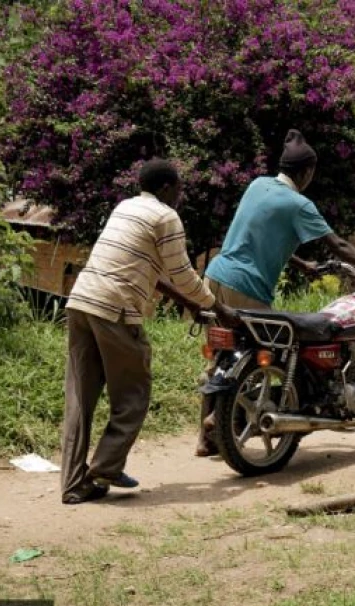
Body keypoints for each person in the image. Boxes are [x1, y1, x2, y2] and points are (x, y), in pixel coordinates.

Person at [196, 129, 355, 455]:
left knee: (222, 358)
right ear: (307, 172)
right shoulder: (299, 203)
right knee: (280, 352)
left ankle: (206, 440)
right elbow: (338, 245)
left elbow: (258, 233)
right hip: (246, 287)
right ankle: (238, 420)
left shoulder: (257, 185)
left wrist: (300, 264)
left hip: (214, 278)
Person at [61, 158, 237, 504]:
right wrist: (218, 306)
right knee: (134, 393)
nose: (180, 196)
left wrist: (188, 303)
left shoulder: (125, 208)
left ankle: (73, 484)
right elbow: (182, 272)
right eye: (179, 189)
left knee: (80, 397)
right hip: (115, 307)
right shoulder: (166, 216)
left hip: (81, 300)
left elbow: (155, 272)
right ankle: (106, 467)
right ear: (167, 188)